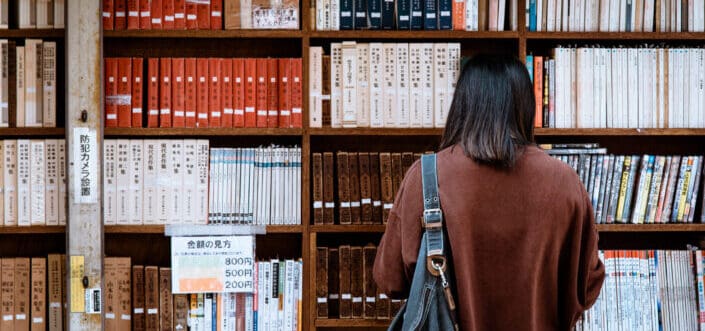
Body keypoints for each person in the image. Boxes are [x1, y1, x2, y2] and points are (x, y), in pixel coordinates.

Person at [373, 54, 605, 330]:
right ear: (525, 106)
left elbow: (389, 280)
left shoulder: (427, 177)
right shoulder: (565, 182)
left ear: (462, 105)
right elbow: (588, 287)